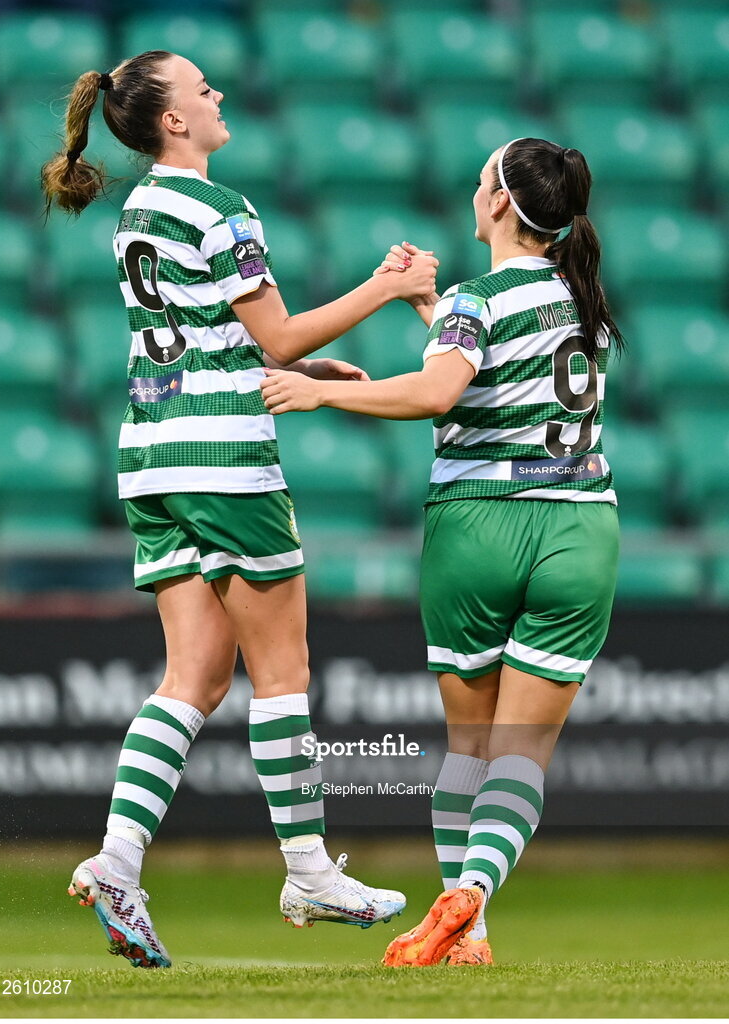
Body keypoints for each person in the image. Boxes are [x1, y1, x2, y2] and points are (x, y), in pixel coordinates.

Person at [41, 50, 439, 968]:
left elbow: (206, 337)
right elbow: (276, 330)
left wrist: (295, 371)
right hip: (224, 458)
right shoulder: (220, 207)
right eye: (202, 89)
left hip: (150, 456)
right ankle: (307, 871)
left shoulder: (139, 209)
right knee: (283, 667)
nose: (218, 96)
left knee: (194, 680)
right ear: (173, 120)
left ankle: (116, 862)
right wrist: (388, 289)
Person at [260, 137, 624, 967]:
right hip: (578, 526)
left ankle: (473, 922)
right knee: (522, 753)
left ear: (498, 202)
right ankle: (476, 903)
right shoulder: (585, 299)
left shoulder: (477, 300)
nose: (471, 194)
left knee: (468, 747)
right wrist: (425, 310)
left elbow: (437, 393)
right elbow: (498, 377)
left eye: (476, 182)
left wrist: (319, 390)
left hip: (477, 525)